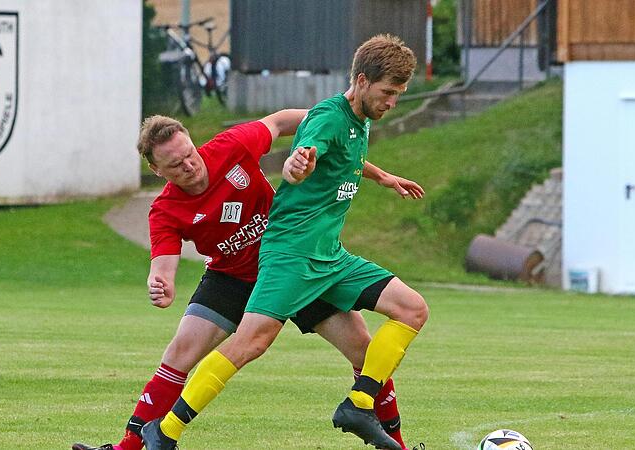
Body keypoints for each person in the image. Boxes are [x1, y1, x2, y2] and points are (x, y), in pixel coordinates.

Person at [73, 103, 423, 450]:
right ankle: (129, 447)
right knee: (179, 352)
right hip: (232, 278)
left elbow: (285, 120)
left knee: (365, 353)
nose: (189, 166)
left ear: (194, 142)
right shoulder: (165, 210)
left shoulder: (232, 145)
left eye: (190, 154)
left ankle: (396, 445)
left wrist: (329, 124)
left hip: (293, 265)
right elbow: (163, 267)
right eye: (175, 165)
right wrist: (160, 285)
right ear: (156, 169)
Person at [142, 34, 428, 450]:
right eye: (387, 93)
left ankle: (360, 405)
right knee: (250, 344)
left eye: (398, 95)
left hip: (328, 256)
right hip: (291, 253)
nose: (392, 103)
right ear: (362, 81)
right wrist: (297, 165)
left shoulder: (358, 120)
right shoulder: (329, 118)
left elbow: (341, 157)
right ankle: (163, 431)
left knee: (411, 310)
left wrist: (383, 176)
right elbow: (304, 155)